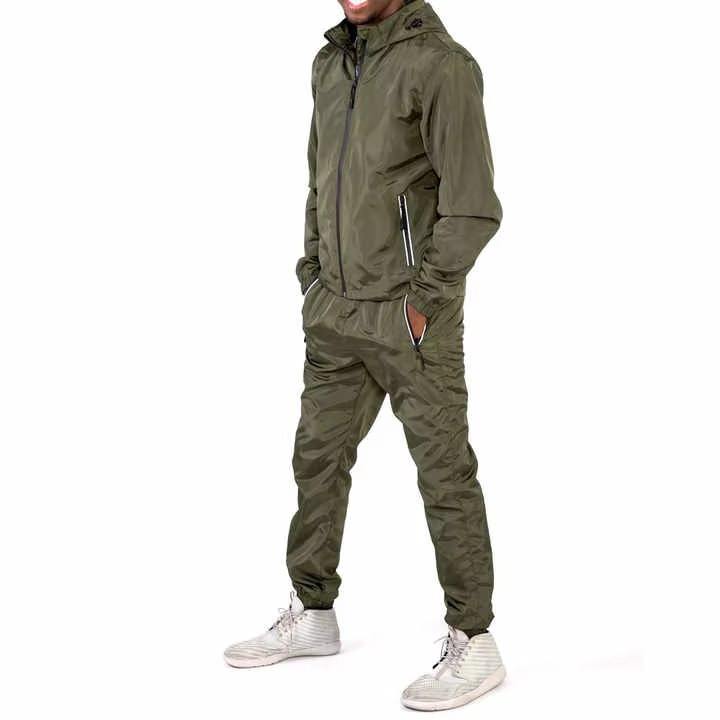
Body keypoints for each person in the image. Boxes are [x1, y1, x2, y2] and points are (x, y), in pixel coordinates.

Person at [225, 0, 504, 710]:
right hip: (336, 312)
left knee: (444, 474)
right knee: (316, 461)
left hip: (410, 318)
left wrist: (423, 299)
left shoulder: (443, 66)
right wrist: (312, 275)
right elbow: (319, 182)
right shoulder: (328, 63)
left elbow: (473, 207)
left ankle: (474, 639)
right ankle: (313, 611)